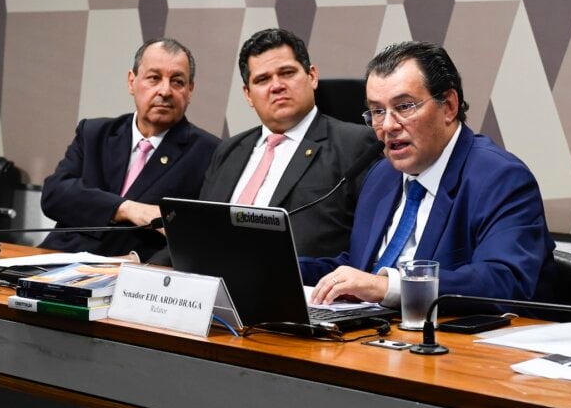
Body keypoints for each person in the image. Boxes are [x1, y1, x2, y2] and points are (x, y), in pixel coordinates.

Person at [305, 41, 555, 307]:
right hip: (374, 336)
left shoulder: (501, 179)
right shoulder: (382, 176)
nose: (388, 125)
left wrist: (386, 287)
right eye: (378, 111)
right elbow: (361, 267)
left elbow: (504, 280)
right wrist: (279, 267)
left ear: (448, 106)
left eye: (404, 107)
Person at [198, 28, 379, 259]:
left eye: (287, 73)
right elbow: (200, 229)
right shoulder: (228, 150)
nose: (276, 86)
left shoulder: (357, 145)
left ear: (312, 76)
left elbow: (371, 243)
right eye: (262, 79)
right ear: (247, 94)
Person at [41, 38, 219, 260]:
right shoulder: (95, 132)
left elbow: (202, 235)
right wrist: (128, 209)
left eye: (177, 82)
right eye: (154, 78)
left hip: (134, 275)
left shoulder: (210, 153)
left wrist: (140, 261)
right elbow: (55, 195)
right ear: (131, 82)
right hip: (59, 258)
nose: (165, 91)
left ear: (190, 90)